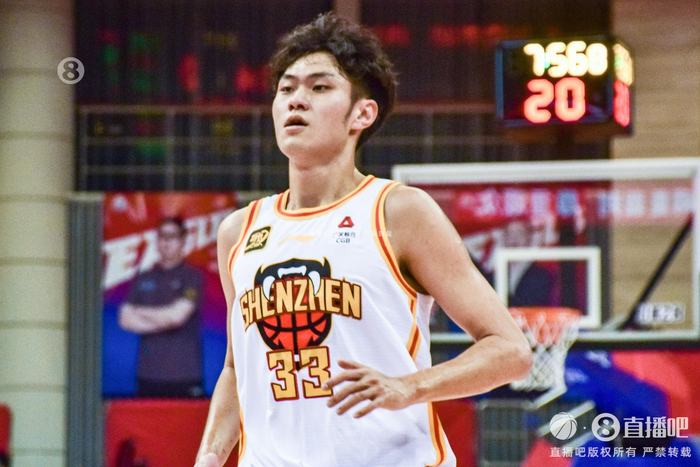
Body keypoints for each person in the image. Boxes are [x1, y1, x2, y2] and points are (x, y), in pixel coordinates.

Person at [195, 13, 532, 467]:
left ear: (362, 113)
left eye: (319, 87)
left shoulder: (399, 212)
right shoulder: (239, 231)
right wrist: (210, 455)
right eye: (286, 89)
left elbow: (510, 350)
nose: (297, 100)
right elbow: (237, 369)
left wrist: (408, 387)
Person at [119, 217, 204, 397]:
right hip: (148, 374)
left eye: (172, 237)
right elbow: (125, 319)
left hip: (185, 374)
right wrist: (165, 319)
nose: (166, 242)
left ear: (183, 241)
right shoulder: (144, 278)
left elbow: (177, 317)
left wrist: (140, 312)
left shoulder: (192, 277)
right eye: (162, 236)